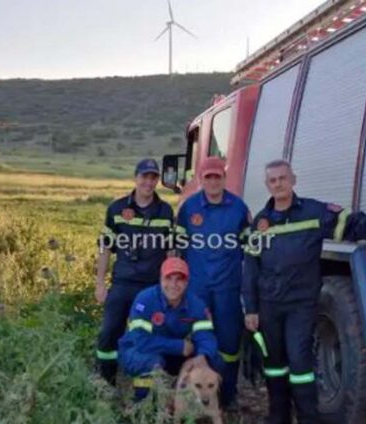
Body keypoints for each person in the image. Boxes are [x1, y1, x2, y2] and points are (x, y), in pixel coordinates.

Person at [242, 159, 366, 424]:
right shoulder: (261, 222)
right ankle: (278, 419)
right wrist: (252, 309)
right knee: (273, 365)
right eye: (273, 180)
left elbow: (351, 222)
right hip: (269, 306)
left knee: (300, 365)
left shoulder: (313, 212)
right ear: (267, 184)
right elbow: (251, 268)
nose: (278, 184)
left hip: (300, 305)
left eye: (283, 178)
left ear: (293, 179)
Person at [175, 157, 250, 408]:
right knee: (199, 340)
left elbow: (251, 247)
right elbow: (178, 249)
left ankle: (227, 396)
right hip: (197, 289)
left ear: (224, 178)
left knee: (229, 343)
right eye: (208, 177)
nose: (213, 181)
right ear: (200, 179)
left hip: (228, 287)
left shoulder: (238, 208)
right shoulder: (188, 208)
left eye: (218, 176)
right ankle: (196, 397)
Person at [95, 158, 174, 384]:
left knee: (153, 335)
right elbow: (105, 247)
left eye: (153, 178)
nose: (149, 182)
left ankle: (149, 385)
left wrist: (169, 288)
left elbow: (171, 251)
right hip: (123, 283)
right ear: (136, 178)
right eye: (144, 177)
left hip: (152, 286)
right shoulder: (117, 208)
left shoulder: (165, 211)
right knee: (109, 333)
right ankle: (106, 381)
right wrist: (100, 283)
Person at [119, 257, 221, 400]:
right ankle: (144, 406)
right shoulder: (145, 300)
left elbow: (205, 335)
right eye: (168, 278)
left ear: (187, 282)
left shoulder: (196, 304)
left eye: (179, 279)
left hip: (172, 352)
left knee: (215, 360)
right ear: (160, 279)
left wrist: (203, 355)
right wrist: (178, 346)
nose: (173, 284)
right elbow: (141, 341)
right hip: (138, 350)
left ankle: (205, 406)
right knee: (152, 362)